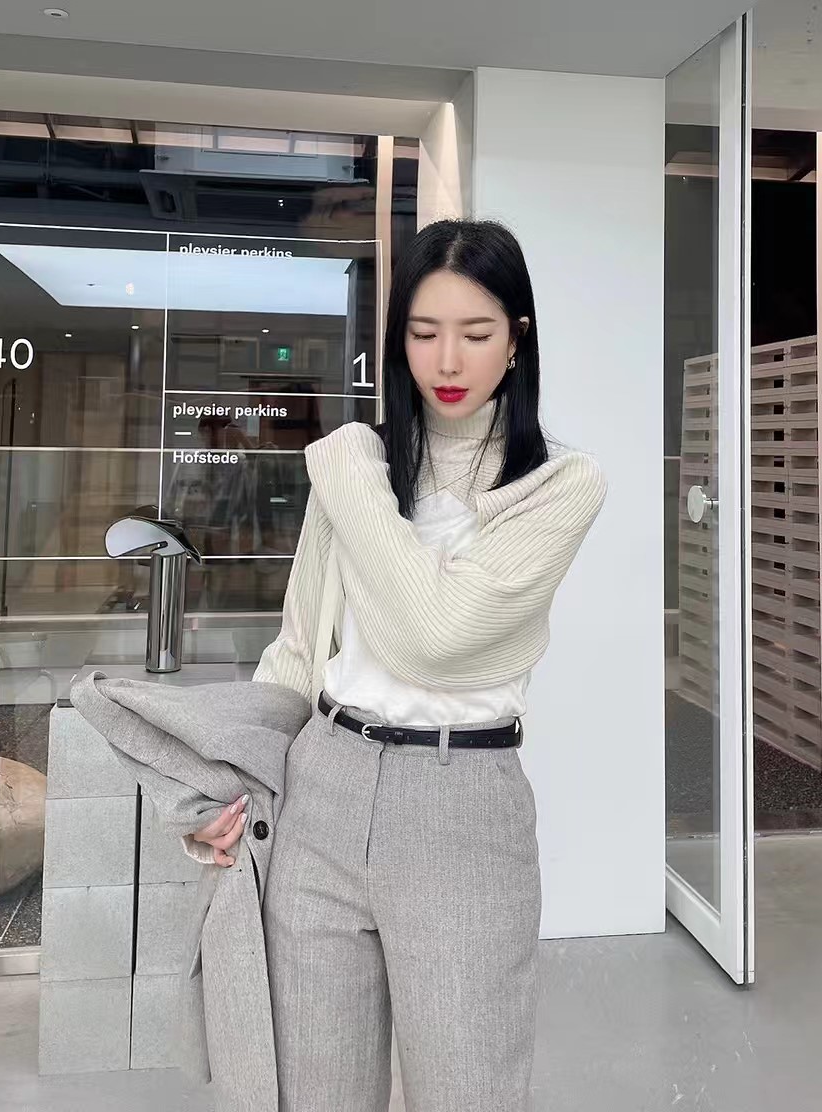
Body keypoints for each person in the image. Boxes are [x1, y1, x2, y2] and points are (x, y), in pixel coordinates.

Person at [190, 219, 607, 1112]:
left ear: (517, 339)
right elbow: (299, 645)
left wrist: (349, 468)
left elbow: (436, 635)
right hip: (323, 786)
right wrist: (238, 785)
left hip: (461, 808)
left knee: (467, 1089)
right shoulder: (361, 466)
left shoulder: (559, 484)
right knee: (312, 1090)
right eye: (423, 333)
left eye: (476, 332)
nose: (447, 360)